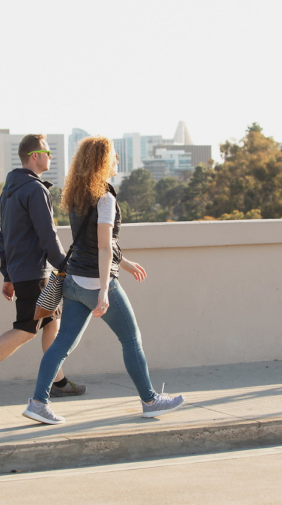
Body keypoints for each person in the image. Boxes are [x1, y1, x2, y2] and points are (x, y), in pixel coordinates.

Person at [22, 136, 185, 424]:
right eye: (112, 156)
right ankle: (150, 400)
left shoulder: (78, 195)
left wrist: (127, 263)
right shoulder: (105, 197)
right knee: (131, 339)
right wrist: (105, 291)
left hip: (73, 281)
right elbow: (102, 246)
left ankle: (37, 402)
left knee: (62, 344)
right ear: (102, 161)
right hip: (97, 282)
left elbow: (92, 242)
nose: (116, 161)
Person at [0, 134, 86, 406]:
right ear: (35, 156)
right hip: (35, 271)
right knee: (27, 329)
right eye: (48, 153)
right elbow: (48, 235)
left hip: (24, 269)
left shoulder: (10, 189)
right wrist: (66, 264)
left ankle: (58, 381)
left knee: (52, 322)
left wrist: (7, 275)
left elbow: (4, 235)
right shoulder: (35, 189)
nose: (50, 157)